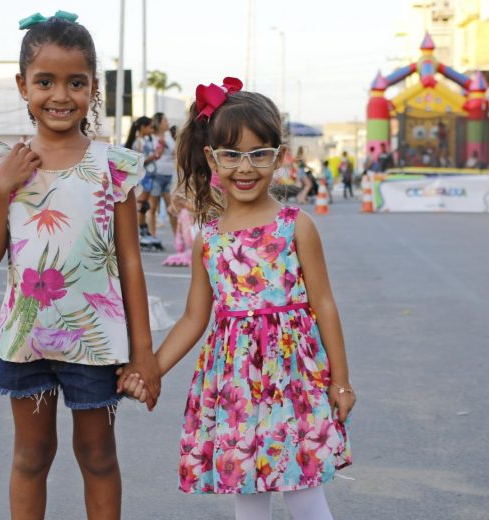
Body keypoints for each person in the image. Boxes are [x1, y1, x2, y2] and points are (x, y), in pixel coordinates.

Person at [121, 79, 354, 520]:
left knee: (305, 491)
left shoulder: (296, 225)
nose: (244, 168)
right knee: (247, 490)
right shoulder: (208, 238)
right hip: (235, 383)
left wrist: (340, 382)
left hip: (295, 382)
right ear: (212, 158)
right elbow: (194, 317)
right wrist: (149, 366)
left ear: (278, 157)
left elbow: (324, 304)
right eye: (231, 155)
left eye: (258, 154)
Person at [0, 12, 160, 520]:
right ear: (22, 86)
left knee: (98, 457)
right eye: (46, 81)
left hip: (96, 343)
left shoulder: (111, 165)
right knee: (31, 456)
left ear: (93, 88)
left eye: (76, 82)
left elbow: (130, 263)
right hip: (25, 339)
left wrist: (142, 353)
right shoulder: (2, 164)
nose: (61, 95)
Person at [147, 112, 178, 239]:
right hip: (155, 175)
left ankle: (177, 237)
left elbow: (174, 152)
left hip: (168, 175)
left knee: (171, 208)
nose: (167, 123)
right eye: (165, 121)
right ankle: (152, 236)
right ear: (159, 123)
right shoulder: (150, 137)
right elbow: (149, 154)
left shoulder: (169, 136)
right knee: (152, 207)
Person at [125, 116, 155, 238]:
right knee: (141, 204)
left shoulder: (145, 141)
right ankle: (138, 230)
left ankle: (142, 228)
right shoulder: (138, 142)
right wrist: (152, 158)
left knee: (144, 205)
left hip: (148, 177)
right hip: (142, 177)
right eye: (150, 127)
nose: (152, 129)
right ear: (143, 127)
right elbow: (138, 162)